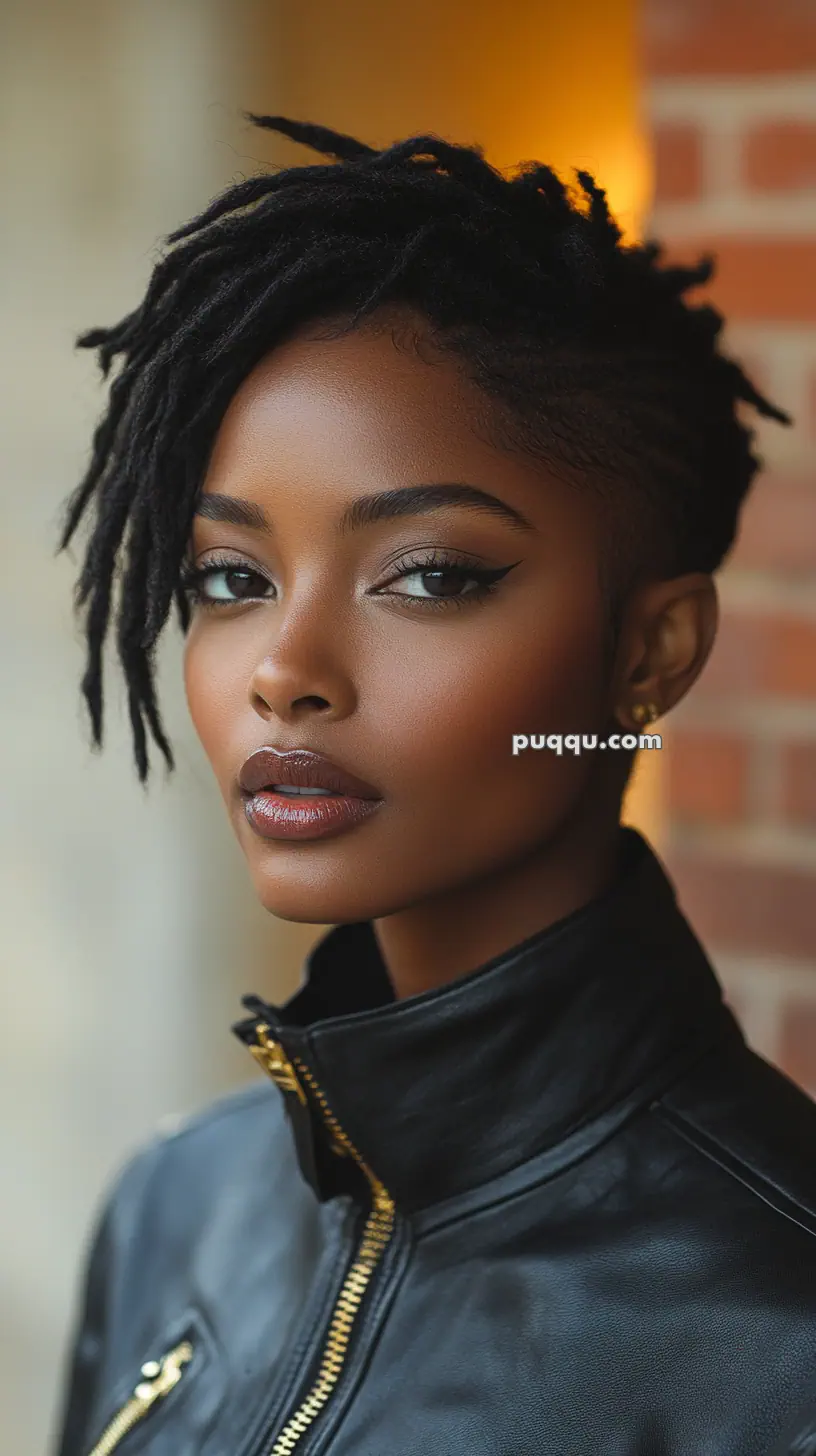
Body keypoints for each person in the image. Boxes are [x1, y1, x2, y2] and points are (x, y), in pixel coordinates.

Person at [51, 113, 816, 1456]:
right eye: (233, 579)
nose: (284, 670)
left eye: (431, 576)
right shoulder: (174, 1207)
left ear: (652, 652)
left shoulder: (782, 1332)